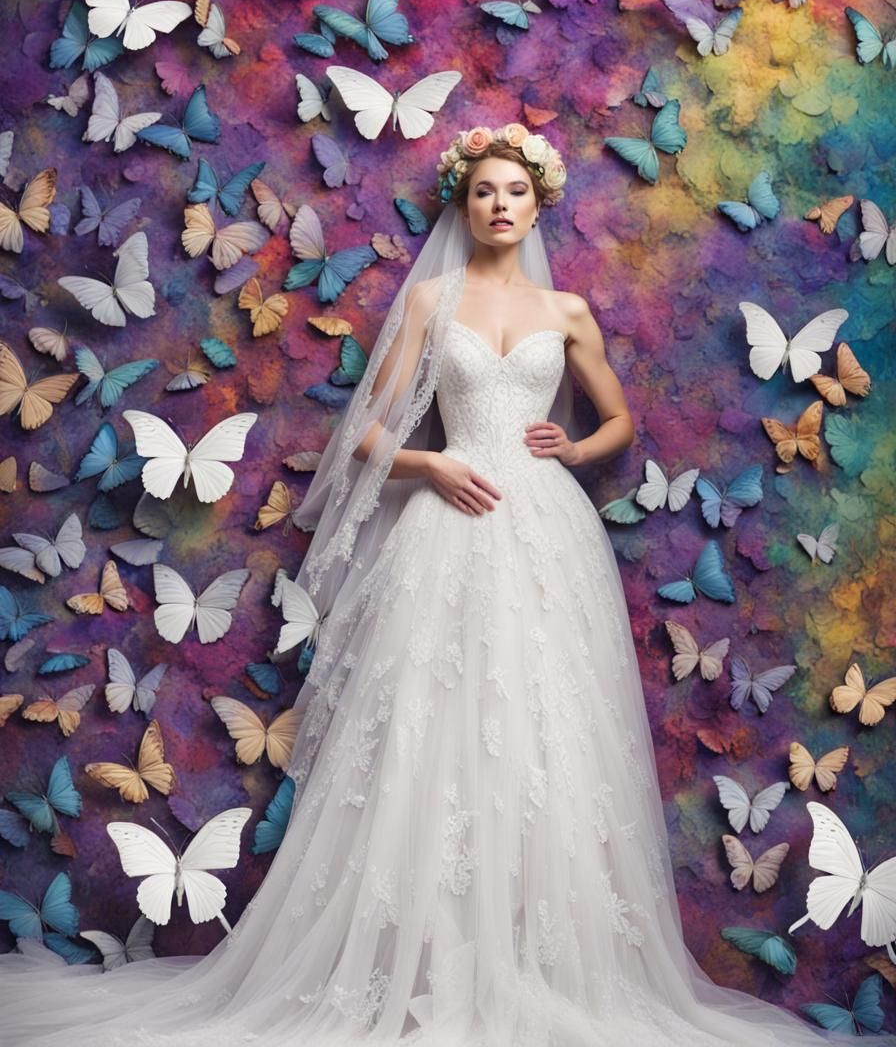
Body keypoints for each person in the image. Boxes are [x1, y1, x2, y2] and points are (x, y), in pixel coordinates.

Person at [0, 124, 889, 1047]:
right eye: (483, 192)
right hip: (447, 524)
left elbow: (619, 418)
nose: (499, 205)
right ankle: (421, 962)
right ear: (465, 206)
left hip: (547, 532)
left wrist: (576, 447)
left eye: (515, 191)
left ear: (538, 204)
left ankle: (535, 960)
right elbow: (367, 434)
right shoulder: (431, 300)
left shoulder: (570, 311)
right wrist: (432, 465)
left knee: (546, 735)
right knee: (431, 726)